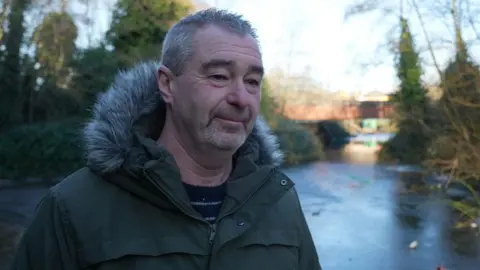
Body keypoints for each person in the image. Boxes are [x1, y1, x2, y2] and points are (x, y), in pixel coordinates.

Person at [10, 8, 321, 270]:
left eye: (252, 81)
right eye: (218, 76)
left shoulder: (279, 199)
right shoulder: (72, 208)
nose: (242, 98)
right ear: (167, 85)